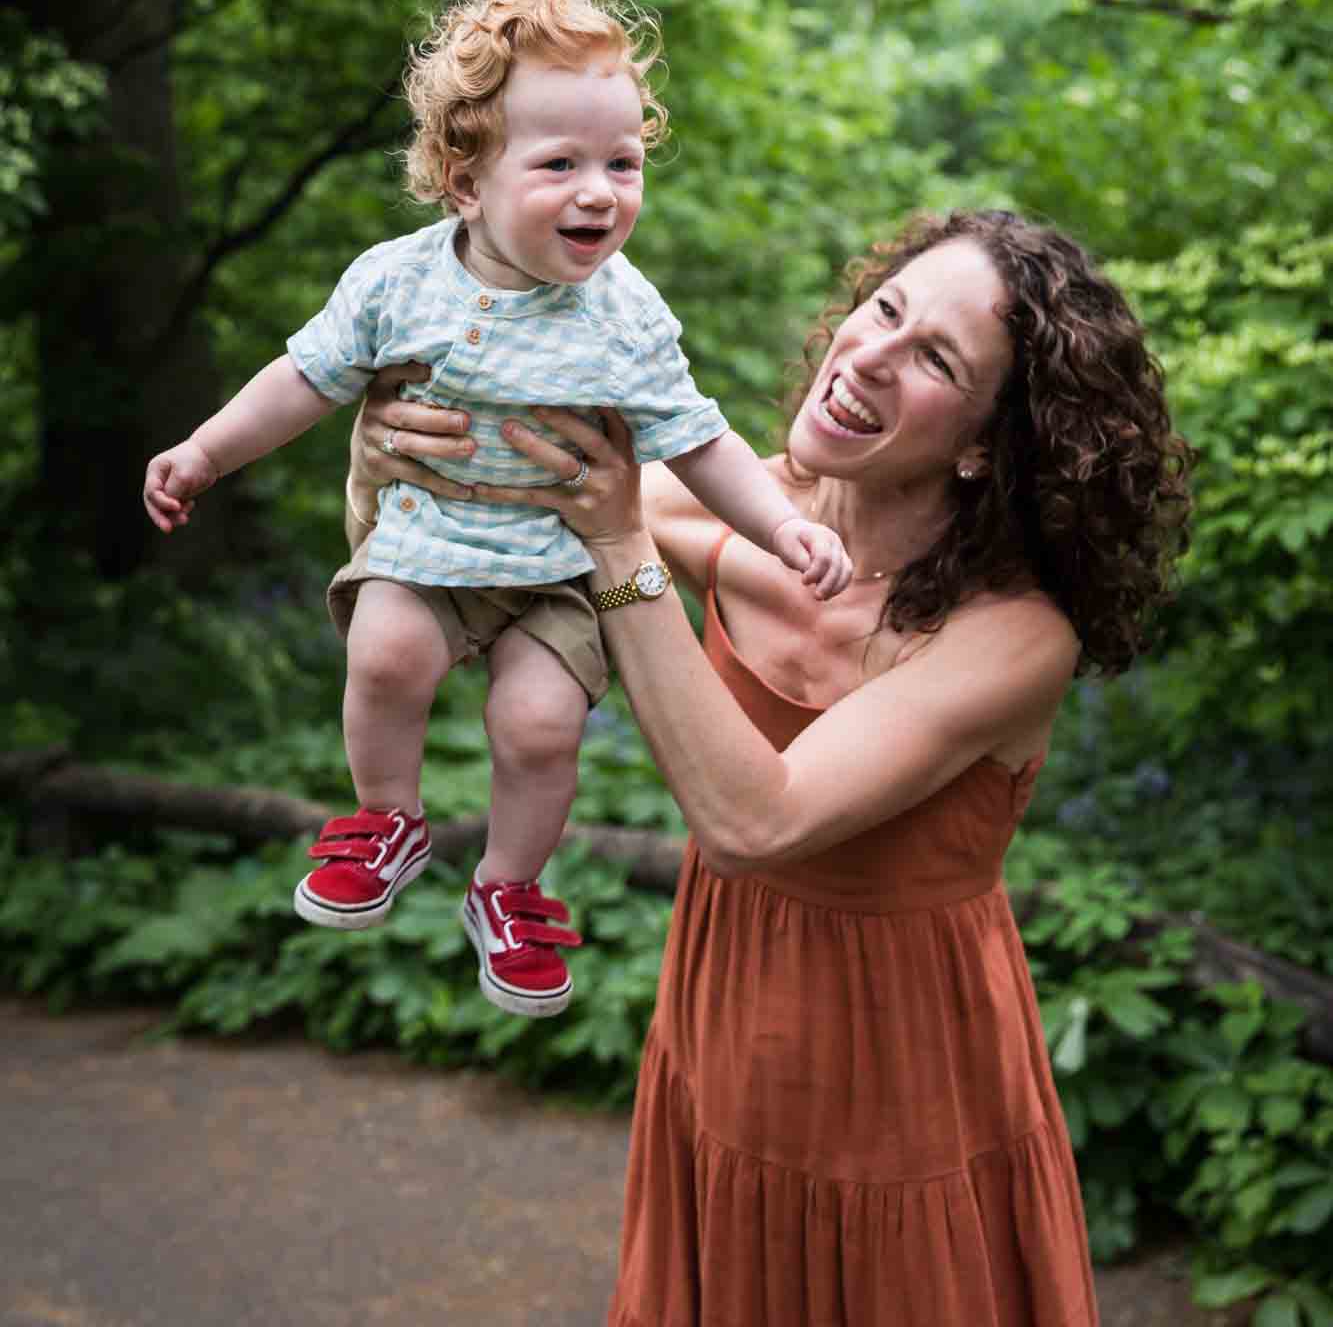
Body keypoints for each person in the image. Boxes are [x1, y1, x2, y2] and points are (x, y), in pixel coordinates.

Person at [348, 207, 1192, 1326]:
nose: (869, 354)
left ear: (987, 442)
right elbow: (462, 531)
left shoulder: (1016, 634)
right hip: (724, 1001)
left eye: (935, 358)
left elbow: (756, 818)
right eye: (883, 308)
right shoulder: (735, 496)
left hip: (907, 1053)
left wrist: (619, 551)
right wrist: (386, 451)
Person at [143, 0, 849, 1021]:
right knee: (384, 652)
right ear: (467, 180)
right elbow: (304, 378)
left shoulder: (625, 311)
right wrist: (203, 450)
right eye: (560, 162)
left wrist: (784, 522)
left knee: (537, 726)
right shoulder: (395, 281)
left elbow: (696, 437)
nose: (600, 190)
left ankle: (510, 887)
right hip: (427, 542)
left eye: (623, 161)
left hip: (555, 570)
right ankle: (386, 816)